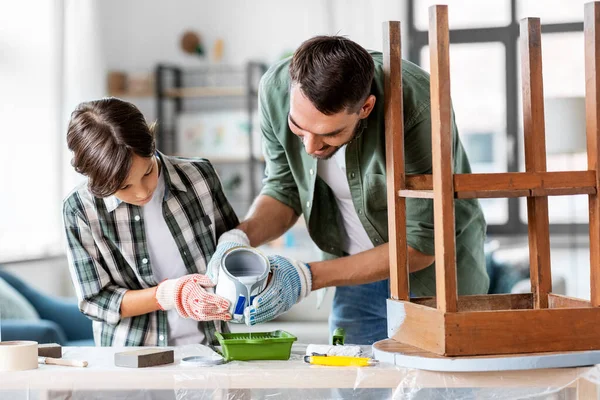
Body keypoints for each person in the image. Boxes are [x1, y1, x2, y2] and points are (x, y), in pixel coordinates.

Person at [207, 36, 490, 345]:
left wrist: (306, 277)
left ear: (366, 107)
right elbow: (283, 188)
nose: (310, 146)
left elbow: (420, 244)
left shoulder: (416, 103)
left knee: (436, 389)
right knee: (355, 386)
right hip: (355, 275)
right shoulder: (274, 91)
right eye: (298, 127)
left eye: (329, 134)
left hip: (435, 278)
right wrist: (239, 238)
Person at [63, 98, 239, 346]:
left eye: (147, 172)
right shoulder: (80, 209)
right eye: (123, 187)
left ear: (151, 144)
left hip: (211, 347)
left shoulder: (199, 176)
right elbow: (95, 300)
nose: (142, 191)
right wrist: (169, 295)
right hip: (131, 360)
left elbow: (233, 249)